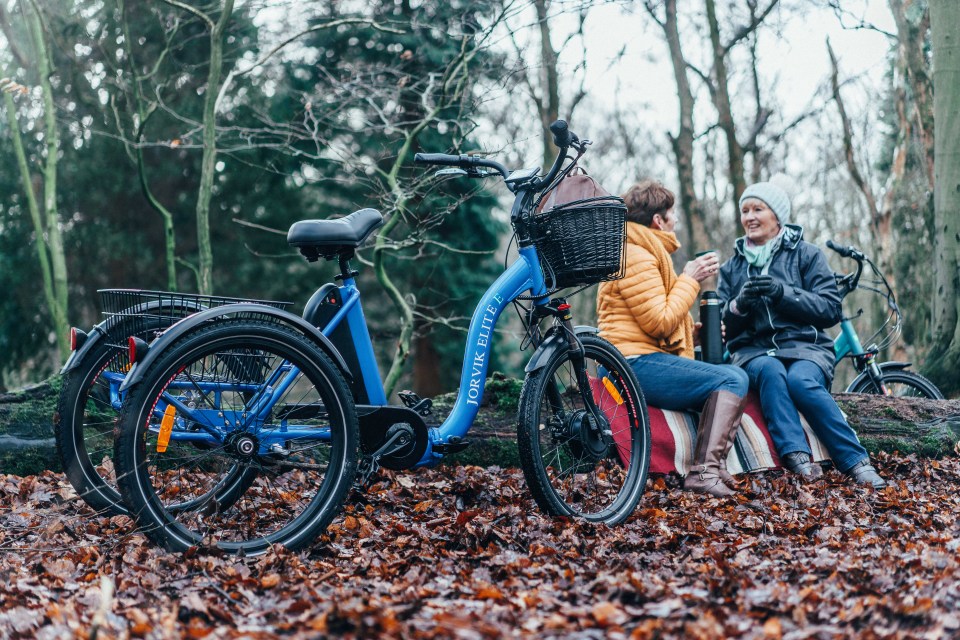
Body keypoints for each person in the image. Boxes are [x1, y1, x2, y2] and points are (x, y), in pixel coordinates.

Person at [717, 181, 887, 488]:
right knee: (770, 370)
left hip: (806, 348)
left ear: (777, 216)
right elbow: (724, 329)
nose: (750, 217)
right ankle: (797, 457)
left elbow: (829, 309)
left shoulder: (807, 255)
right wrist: (739, 305)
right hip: (753, 352)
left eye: (758, 209)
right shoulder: (732, 267)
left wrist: (783, 293)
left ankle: (857, 463)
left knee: (801, 381)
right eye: (745, 211)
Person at [598, 180, 750, 497]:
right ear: (658, 220)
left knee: (732, 374)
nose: (675, 221)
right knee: (732, 380)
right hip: (631, 364)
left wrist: (691, 334)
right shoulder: (636, 255)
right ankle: (705, 472)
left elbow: (653, 320)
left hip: (639, 357)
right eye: (672, 215)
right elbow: (660, 322)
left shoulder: (639, 250)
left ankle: (714, 468)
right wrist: (690, 279)